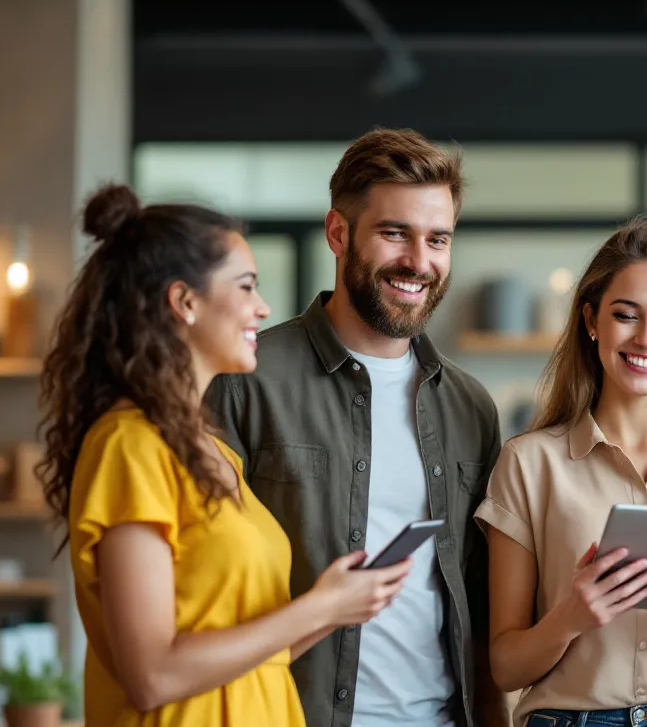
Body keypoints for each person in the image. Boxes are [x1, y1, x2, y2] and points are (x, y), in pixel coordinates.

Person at [37, 185, 411, 727]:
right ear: (184, 301)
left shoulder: (214, 452)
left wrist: (340, 604)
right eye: (246, 286)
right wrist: (320, 607)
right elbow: (153, 676)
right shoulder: (129, 446)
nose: (262, 307)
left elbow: (255, 652)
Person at [206, 129, 506, 727]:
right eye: (395, 233)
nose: (419, 262)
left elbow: (477, 602)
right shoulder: (244, 381)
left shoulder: (471, 407)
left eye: (438, 239)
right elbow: (203, 589)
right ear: (338, 233)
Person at [475, 216, 647, 727]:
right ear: (590, 320)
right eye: (626, 315)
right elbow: (505, 667)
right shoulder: (528, 463)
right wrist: (570, 618)